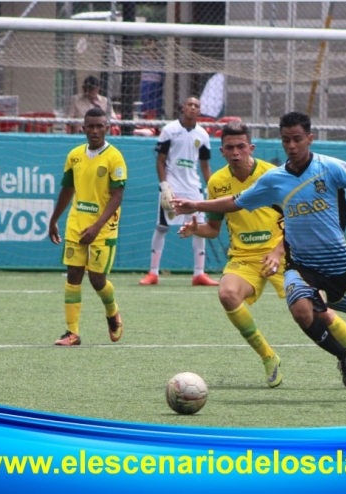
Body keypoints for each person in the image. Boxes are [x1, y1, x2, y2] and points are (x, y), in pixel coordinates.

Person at [172, 111, 346, 396]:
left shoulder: (323, 167)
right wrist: (196, 210)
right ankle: (321, 357)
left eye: (297, 139)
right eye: (286, 140)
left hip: (316, 258)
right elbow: (233, 204)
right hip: (280, 261)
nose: (292, 146)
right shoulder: (270, 179)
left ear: (309, 138)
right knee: (290, 309)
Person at [48, 107, 126, 346]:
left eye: (99, 126)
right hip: (76, 224)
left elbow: (117, 196)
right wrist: (53, 220)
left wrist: (96, 227)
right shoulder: (74, 155)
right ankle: (72, 332)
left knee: (97, 279)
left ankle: (112, 312)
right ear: (83, 128)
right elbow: (67, 189)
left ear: (107, 128)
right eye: (90, 126)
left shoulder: (115, 158)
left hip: (103, 227)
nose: (94, 131)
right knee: (73, 275)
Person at [139, 97, 218, 287]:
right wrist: (164, 185)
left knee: (199, 227)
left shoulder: (203, 134)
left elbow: (205, 165)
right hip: (173, 187)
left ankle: (199, 274)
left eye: (196, 106)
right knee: (162, 226)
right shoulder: (169, 130)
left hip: (194, 188)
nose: (192, 108)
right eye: (189, 104)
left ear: (199, 110)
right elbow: (160, 161)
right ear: (183, 107)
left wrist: (213, 187)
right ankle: (153, 273)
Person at [139, 37, 165, 119]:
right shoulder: (141, 59)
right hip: (144, 97)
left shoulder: (162, 60)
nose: (148, 46)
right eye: (145, 44)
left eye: (150, 43)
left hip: (156, 98)